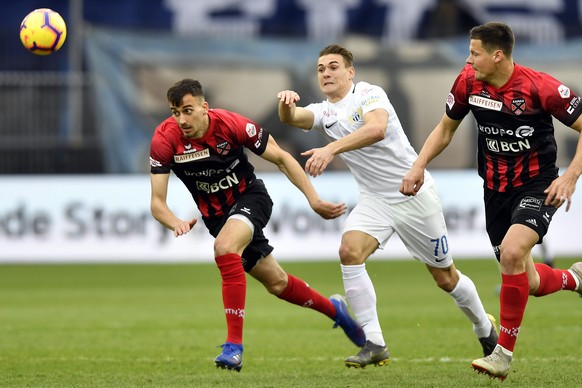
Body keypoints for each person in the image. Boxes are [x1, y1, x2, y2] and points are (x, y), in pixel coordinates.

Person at [277, 44, 497, 369]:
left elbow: (376, 129)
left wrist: (331, 149)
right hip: (375, 200)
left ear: (350, 72)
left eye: (334, 66)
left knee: (446, 278)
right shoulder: (324, 112)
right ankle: (375, 342)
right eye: (321, 68)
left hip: (413, 194)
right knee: (349, 252)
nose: (326, 72)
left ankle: (484, 327)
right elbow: (294, 118)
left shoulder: (368, 93)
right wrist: (285, 105)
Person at [400, 22, 582, 381]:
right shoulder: (468, 82)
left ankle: (502, 354)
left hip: (538, 186)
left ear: (497, 55)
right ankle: (574, 279)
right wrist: (419, 164)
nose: (469, 59)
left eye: (475, 52)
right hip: (495, 192)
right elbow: (445, 128)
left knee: (513, 253)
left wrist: (571, 176)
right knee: (526, 280)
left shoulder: (540, 87)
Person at [149, 78, 366, 372]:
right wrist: (174, 221)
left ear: (204, 107)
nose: (181, 119)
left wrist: (313, 199)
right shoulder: (165, 139)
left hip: (251, 198)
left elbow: (282, 158)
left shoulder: (232, 126)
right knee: (277, 283)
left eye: (188, 110)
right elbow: (157, 203)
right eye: (175, 112)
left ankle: (233, 346)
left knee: (224, 248)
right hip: (217, 218)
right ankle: (335, 310)